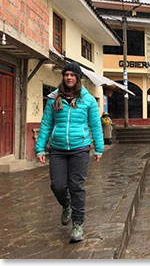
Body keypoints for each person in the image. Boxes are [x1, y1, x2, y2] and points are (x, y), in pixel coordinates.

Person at [35, 62, 104, 243]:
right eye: (66, 74)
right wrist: (40, 147)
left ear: (78, 78)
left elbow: (96, 124)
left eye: (73, 75)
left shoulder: (87, 99)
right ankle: (66, 205)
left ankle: (77, 225)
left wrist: (99, 147)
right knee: (57, 185)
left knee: (76, 187)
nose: (69, 77)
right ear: (63, 77)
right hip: (57, 149)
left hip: (80, 148)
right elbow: (46, 124)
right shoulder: (53, 98)